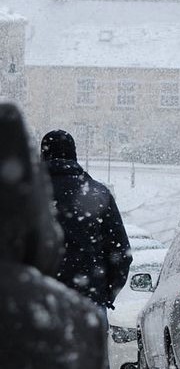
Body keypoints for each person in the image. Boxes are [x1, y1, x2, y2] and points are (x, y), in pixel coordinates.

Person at [0, 104, 108, 368]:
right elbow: (119, 252)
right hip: (84, 293)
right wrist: (100, 291)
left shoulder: (39, 194)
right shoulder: (77, 323)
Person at [41, 129, 132, 311]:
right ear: (74, 155)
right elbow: (120, 252)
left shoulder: (25, 195)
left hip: (38, 303)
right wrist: (105, 293)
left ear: (43, 156)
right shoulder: (97, 194)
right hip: (88, 301)